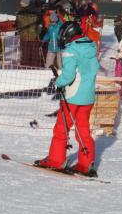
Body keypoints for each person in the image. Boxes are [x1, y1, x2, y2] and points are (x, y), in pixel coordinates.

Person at [36, 21, 99, 176]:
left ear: (67, 35)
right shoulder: (91, 46)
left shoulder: (71, 50)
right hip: (88, 96)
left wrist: (59, 82)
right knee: (83, 129)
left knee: (61, 128)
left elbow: (69, 75)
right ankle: (86, 163)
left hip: (72, 96)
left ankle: (56, 160)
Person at [16, 0, 44, 67]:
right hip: (29, 37)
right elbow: (18, 25)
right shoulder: (21, 12)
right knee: (30, 56)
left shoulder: (35, 11)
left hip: (31, 37)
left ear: (26, 2)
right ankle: (29, 71)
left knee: (29, 56)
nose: (20, 2)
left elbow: (40, 23)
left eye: (21, 1)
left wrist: (38, 32)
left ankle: (30, 71)